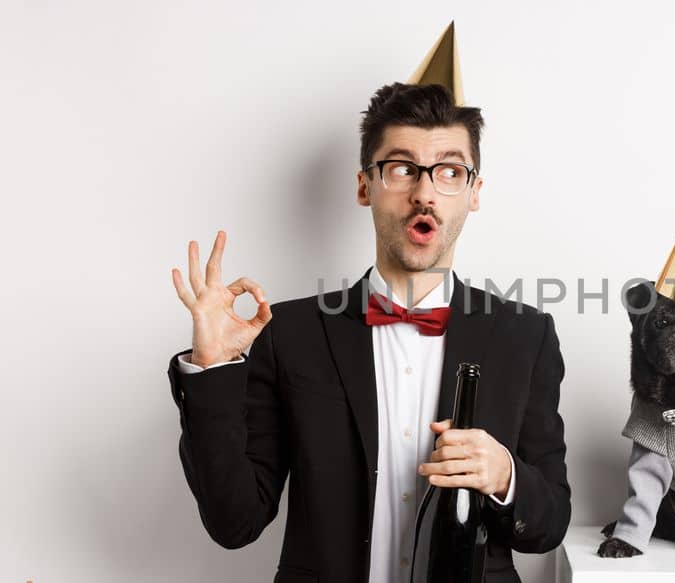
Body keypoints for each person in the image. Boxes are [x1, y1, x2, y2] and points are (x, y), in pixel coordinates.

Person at [165, 82, 571, 583]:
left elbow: (548, 526)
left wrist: (505, 475)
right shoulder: (288, 333)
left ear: (474, 192)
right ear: (365, 186)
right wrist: (212, 369)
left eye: (448, 171)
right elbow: (235, 522)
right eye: (402, 168)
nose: (424, 192)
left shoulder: (525, 336)